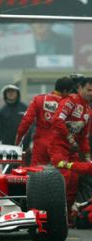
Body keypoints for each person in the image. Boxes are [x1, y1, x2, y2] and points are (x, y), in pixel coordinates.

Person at [48, 77, 92, 215]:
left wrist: (88, 158)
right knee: (65, 177)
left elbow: (84, 137)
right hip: (58, 146)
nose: (91, 93)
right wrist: (70, 139)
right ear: (80, 88)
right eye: (88, 90)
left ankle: (68, 215)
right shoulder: (71, 101)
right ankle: (54, 213)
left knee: (75, 179)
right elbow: (57, 120)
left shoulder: (88, 111)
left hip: (73, 150)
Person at [15, 77, 74, 166]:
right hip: (59, 145)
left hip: (40, 144)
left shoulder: (39, 99)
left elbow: (26, 122)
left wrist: (18, 140)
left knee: (36, 173)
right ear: (65, 91)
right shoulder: (70, 104)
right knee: (61, 175)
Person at [0, 84, 31, 149]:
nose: (10, 93)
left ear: (17, 93)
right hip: (7, 147)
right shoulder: (1, 111)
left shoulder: (26, 108)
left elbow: (32, 126)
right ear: (5, 94)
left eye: (13, 91)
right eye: (8, 91)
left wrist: (32, 142)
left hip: (25, 147)